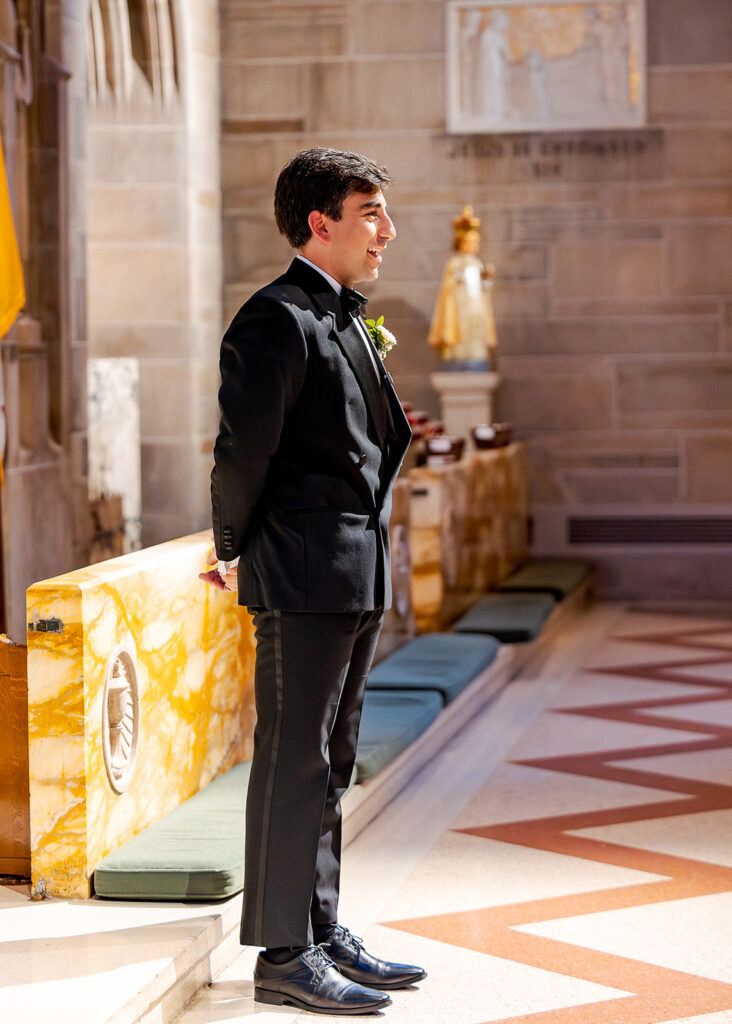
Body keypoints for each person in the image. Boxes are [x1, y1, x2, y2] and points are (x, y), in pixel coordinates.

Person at [201, 147, 421, 1015]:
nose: (387, 232)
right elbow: (241, 452)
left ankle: (322, 928)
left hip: (351, 571)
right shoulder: (275, 319)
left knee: (330, 763)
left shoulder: (341, 317)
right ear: (319, 223)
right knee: (293, 764)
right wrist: (228, 546)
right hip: (299, 573)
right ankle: (282, 955)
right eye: (371, 212)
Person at [428, 205, 498, 370]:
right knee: (461, 333)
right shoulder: (455, 263)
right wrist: (459, 272)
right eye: (470, 242)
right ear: (461, 243)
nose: (474, 246)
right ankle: (458, 356)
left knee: (476, 332)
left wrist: (486, 278)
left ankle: (477, 355)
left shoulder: (477, 263)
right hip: (460, 307)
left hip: (476, 308)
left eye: (476, 243)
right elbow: (450, 287)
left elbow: (482, 288)